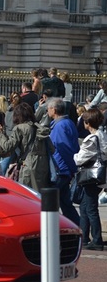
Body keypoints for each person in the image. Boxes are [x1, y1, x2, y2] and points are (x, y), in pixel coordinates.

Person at [0, 102, 53, 191]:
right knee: (39, 195)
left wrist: (0, 132)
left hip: (28, 165)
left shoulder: (20, 128)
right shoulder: (39, 128)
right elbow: (52, 149)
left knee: (26, 194)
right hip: (42, 165)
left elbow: (7, 146)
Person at [73, 108, 107, 250]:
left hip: (90, 176)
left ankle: (96, 240)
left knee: (90, 208)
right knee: (85, 206)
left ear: (87, 123)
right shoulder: (103, 135)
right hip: (99, 175)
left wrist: (75, 155)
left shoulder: (91, 139)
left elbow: (79, 159)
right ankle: (85, 237)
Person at [48, 97, 80, 225]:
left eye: (48, 109)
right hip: (64, 168)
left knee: (51, 202)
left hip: (60, 169)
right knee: (65, 202)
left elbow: (62, 148)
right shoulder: (67, 123)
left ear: (54, 110)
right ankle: (76, 225)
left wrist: (70, 167)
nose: (47, 112)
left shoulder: (60, 126)